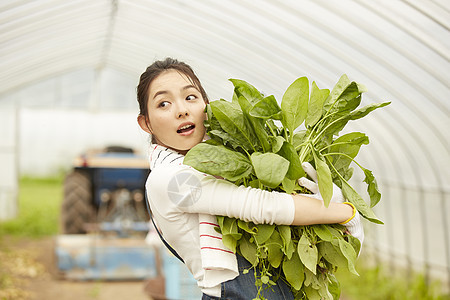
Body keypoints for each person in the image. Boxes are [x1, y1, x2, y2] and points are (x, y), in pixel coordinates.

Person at [136, 58, 363, 299]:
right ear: (146, 123)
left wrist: (322, 199)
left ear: (206, 105)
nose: (181, 110)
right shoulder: (169, 178)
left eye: (190, 97)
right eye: (163, 103)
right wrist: (343, 212)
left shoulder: (225, 162)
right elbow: (259, 205)